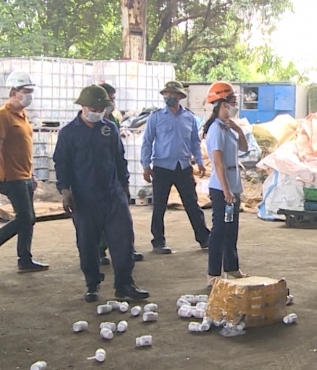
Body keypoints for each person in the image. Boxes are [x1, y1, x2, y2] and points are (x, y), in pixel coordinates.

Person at [53, 86, 149, 302]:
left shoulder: (109, 129)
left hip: (112, 195)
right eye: (94, 108)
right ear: (83, 107)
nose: (98, 112)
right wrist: (65, 191)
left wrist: (124, 188)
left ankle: (124, 284)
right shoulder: (69, 133)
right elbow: (62, 164)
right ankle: (92, 284)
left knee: (123, 241)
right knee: (88, 244)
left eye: (101, 108)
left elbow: (119, 158)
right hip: (84, 198)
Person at [0, 71, 49, 273]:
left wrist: (31, 174)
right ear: (13, 92)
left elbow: (23, 147)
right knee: (25, 218)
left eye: (31, 91)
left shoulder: (22, 115)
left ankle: (25, 259)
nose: (29, 95)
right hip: (10, 176)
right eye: (26, 91)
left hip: (24, 175)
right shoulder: (2, 116)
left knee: (28, 218)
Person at [140, 80, 210, 254]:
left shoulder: (189, 117)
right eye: (167, 94)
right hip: (162, 167)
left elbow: (195, 141)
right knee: (159, 206)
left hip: (183, 167)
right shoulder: (156, 117)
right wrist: (145, 165)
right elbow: (147, 142)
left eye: (173, 94)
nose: (169, 97)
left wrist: (200, 161)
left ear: (180, 96)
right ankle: (158, 242)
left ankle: (204, 238)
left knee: (192, 204)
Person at [201, 82, 248, 287]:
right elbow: (217, 162)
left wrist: (238, 129)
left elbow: (244, 147)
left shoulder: (228, 128)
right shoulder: (215, 130)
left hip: (232, 187)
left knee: (232, 229)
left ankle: (232, 267)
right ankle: (213, 273)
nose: (235, 106)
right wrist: (227, 190)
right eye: (233, 102)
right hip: (222, 189)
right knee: (219, 229)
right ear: (222, 103)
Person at [95, 82, 143, 266]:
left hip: (114, 175)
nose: (113, 102)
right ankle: (99, 250)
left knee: (122, 216)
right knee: (99, 218)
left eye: (113, 99)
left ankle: (126, 249)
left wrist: (124, 180)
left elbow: (118, 152)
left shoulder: (112, 121)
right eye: (110, 98)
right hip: (95, 178)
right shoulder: (85, 126)